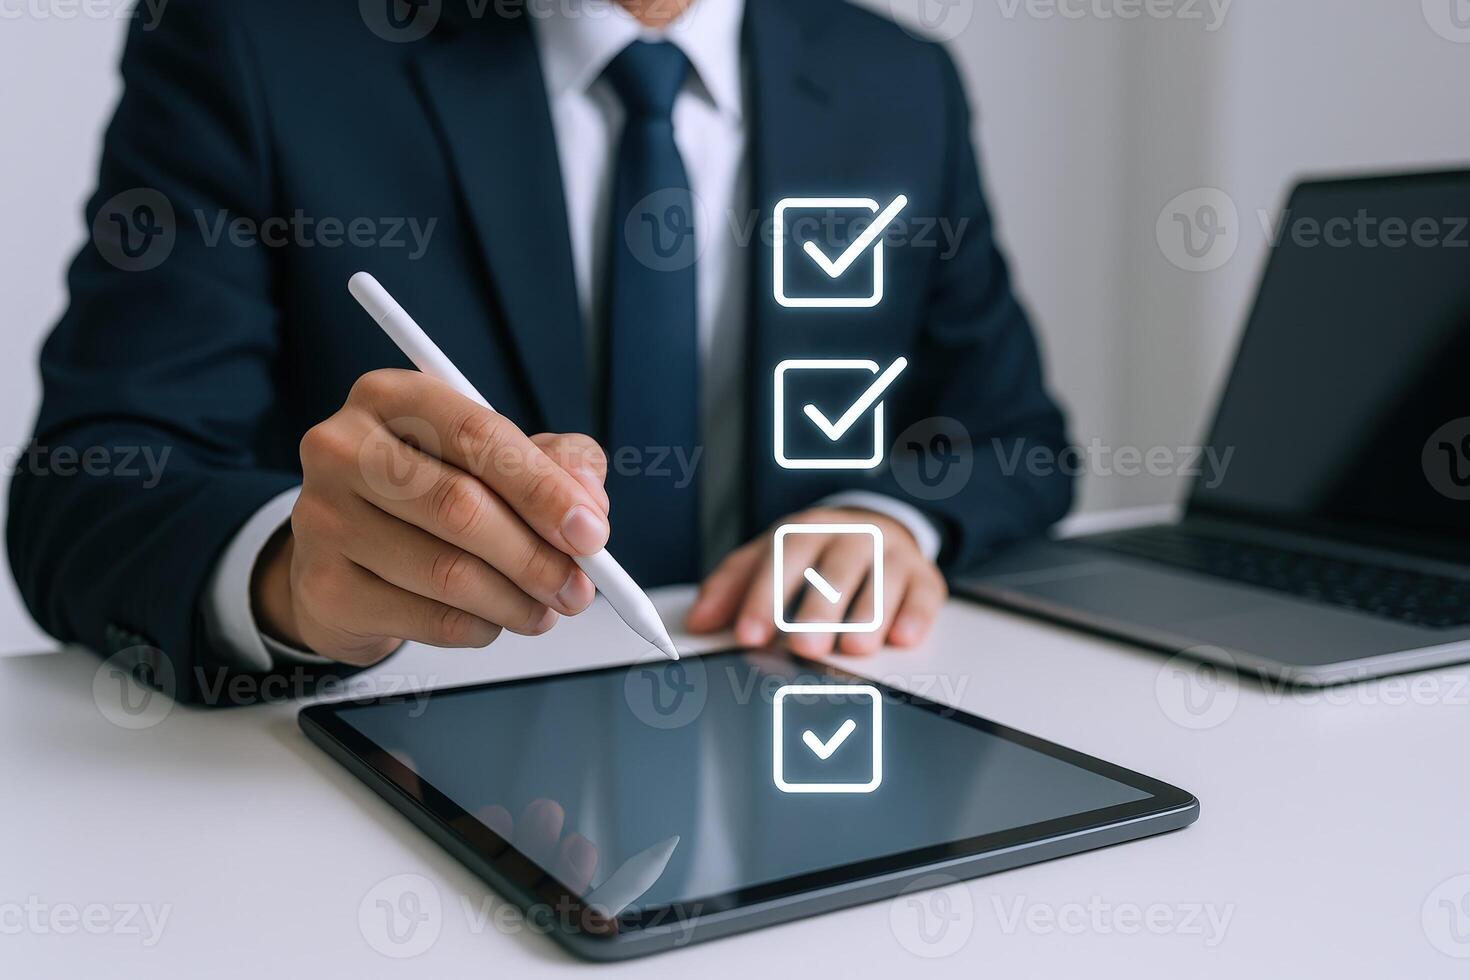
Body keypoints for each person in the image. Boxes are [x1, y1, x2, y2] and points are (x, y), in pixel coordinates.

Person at [7, 0, 1072, 700]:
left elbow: (1013, 435)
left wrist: (889, 517)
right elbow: (88, 486)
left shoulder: (900, 81)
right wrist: (293, 578)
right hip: (393, 790)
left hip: (799, 736)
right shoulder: (254, 42)